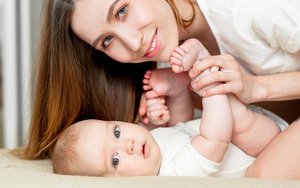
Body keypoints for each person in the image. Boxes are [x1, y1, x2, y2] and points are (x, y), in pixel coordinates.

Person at [24, 0, 300, 181]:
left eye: (121, 11)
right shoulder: (168, 33)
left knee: (267, 175)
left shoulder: (249, 0)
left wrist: (256, 87)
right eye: (107, 41)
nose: (132, 43)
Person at [52, 38, 283, 177]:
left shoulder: (150, 146)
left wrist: (160, 113)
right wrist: (209, 85)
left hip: (251, 127)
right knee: (234, 123)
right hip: (265, 147)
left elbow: (181, 123)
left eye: (117, 132)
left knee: (203, 119)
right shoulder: (175, 175)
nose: (128, 145)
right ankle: (204, 67)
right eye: (115, 160)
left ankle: (181, 86)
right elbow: (215, 140)